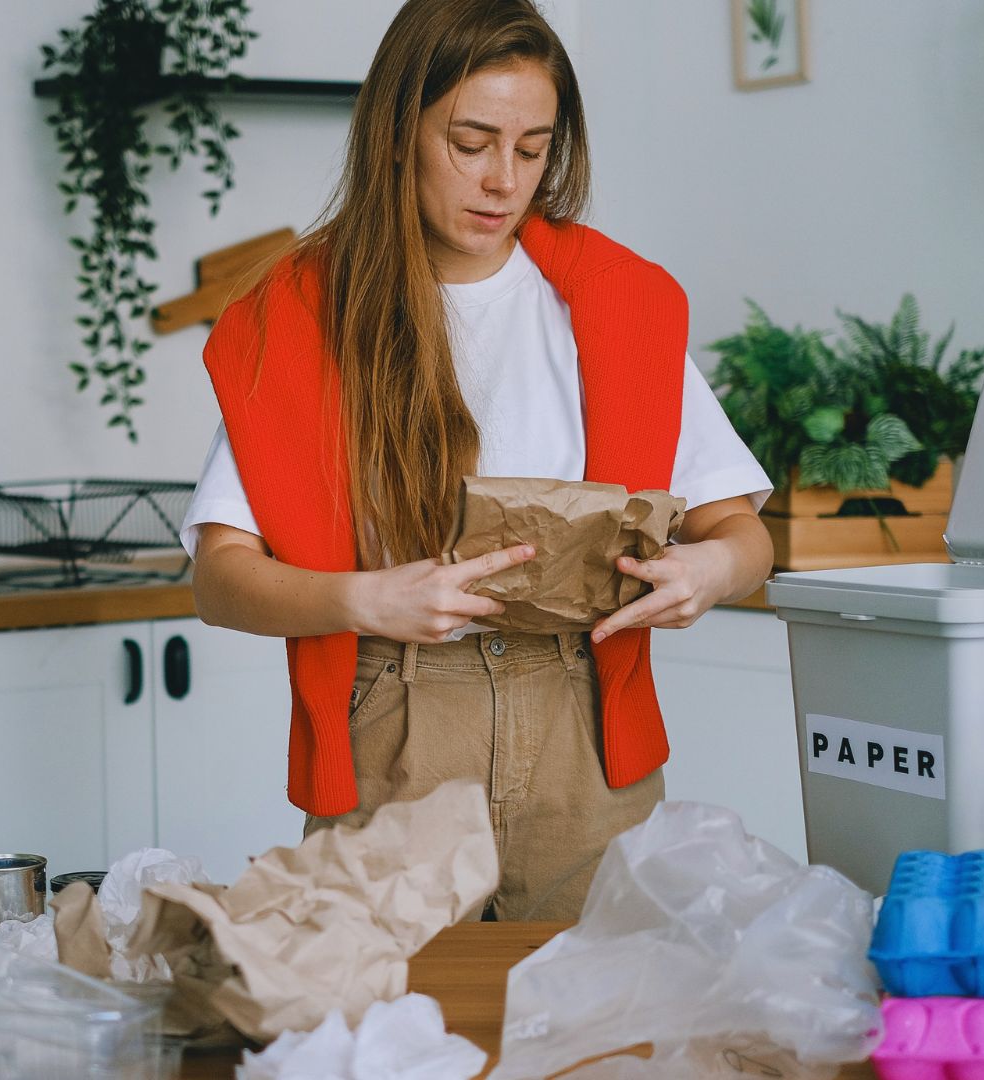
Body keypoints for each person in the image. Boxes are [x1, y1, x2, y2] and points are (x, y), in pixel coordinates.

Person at [181, 0, 774, 920]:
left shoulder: (617, 304)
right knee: (387, 1041)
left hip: (584, 728)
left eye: (533, 148)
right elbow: (219, 578)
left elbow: (741, 530)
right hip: (397, 722)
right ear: (397, 133)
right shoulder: (296, 317)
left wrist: (712, 569)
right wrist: (363, 599)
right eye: (471, 142)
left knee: (596, 1036)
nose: (505, 180)